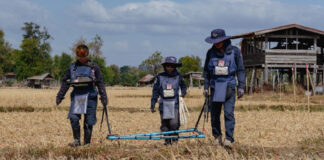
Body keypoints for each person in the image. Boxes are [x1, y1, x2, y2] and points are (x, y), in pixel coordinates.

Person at [56, 44, 108, 147]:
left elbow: (100, 82)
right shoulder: (73, 67)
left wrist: (104, 97)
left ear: (87, 54)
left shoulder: (94, 67)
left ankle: (87, 144)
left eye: (84, 56)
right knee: (73, 118)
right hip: (78, 96)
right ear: (77, 56)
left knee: (89, 121)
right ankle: (77, 140)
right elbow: (65, 82)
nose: (82, 58)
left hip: (90, 97)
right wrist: (60, 96)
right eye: (79, 56)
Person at [203, 29, 245, 149]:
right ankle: (217, 137)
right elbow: (206, 71)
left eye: (219, 41)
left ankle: (228, 139)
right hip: (215, 86)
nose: (216, 43)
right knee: (215, 114)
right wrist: (206, 87)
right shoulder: (210, 53)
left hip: (229, 85)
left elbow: (241, 70)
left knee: (228, 113)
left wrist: (241, 86)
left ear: (224, 39)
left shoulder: (235, 52)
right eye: (214, 41)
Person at [151, 56, 187, 145]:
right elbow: (155, 91)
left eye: (172, 66)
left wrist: (182, 93)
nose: (170, 68)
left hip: (175, 104)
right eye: (168, 66)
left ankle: (175, 142)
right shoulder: (159, 77)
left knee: (174, 124)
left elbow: (183, 87)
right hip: (164, 104)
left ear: (175, 67)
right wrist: (153, 102)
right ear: (165, 66)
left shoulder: (179, 77)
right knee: (165, 125)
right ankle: (167, 143)